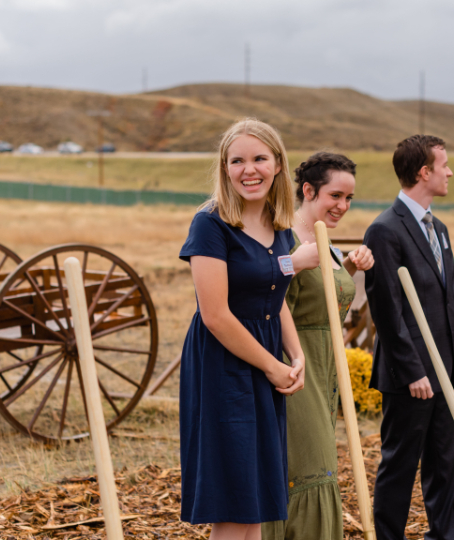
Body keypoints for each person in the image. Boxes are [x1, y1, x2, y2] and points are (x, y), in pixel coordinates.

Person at [178, 119, 306, 540]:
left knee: (254, 501)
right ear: (225, 168)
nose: (248, 170)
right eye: (237, 161)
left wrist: (296, 354)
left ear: (278, 165)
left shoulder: (281, 225)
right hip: (224, 363)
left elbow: (275, 299)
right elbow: (215, 315)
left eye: (259, 159)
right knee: (234, 502)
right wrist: (272, 365)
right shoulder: (210, 224)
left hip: (265, 359)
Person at [364, 134, 454, 540]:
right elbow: (387, 312)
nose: (450, 172)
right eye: (444, 164)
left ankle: (445, 535)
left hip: (445, 368)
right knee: (400, 463)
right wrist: (412, 371)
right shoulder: (384, 230)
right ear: (423, 172)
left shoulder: (439, 227)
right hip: (408, 374)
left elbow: (451, 298)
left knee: (444, 461)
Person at [261, 152, 374, 540]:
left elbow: (323, 300)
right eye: (335, 196)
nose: (342, 206)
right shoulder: (281, 238)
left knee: (320, 463)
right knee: (306, 468)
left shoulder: (327, 243)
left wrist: (352, 267)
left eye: (349, 199)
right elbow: (269, 301)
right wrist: (293, 263)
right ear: (308, 190)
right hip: (293, 365)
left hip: (326, 367)